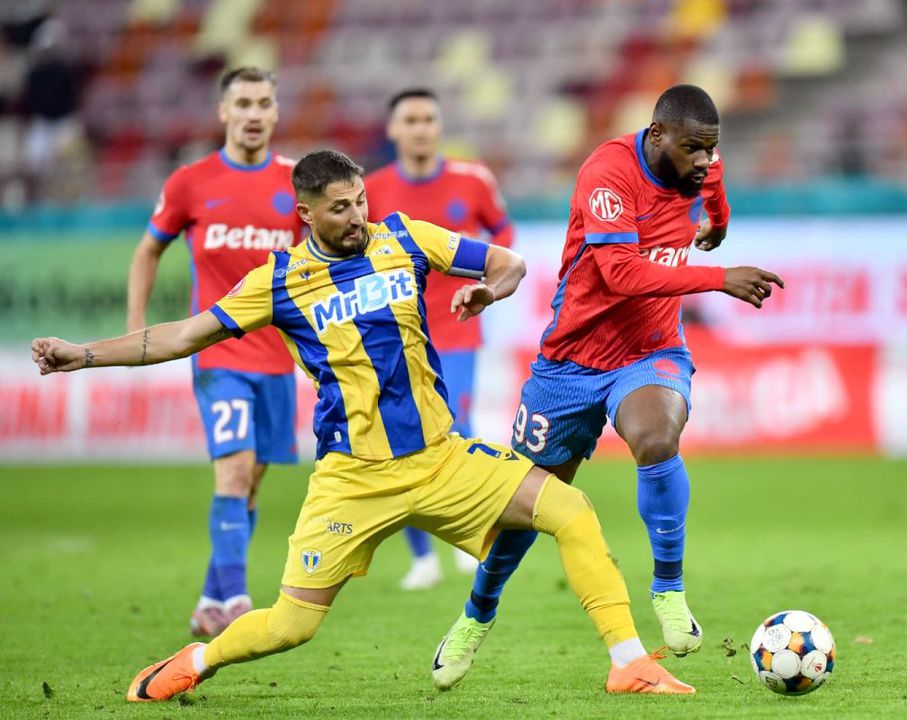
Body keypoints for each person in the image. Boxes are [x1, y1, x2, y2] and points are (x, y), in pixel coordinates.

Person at [33, 149, 697, 699]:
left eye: (360, 202)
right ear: (305, 214)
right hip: (353, 478)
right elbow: (182, 336)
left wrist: (487, 290)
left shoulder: (403, 237)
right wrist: (82, 355)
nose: (357, 217)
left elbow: (509, 262)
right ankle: (196, 661)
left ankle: (628, 663)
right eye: (340, 208)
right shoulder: (280, 281)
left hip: (440, 458)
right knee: (291, 626)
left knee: (571, 510)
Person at [430, 84, 784, 690]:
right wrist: (717, 274)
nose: (704, 161)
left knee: (656, 437)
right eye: (694, 149)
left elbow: (716, 200)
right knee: (527, 505)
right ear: (657, 135)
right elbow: (620, 273)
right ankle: (476, 614)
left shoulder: (704, 164)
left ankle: (668, 589)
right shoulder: (608, 175)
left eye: (711, 149)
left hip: (650, 350)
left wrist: (718, 225)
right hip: (571, 360)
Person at [125, 67, 306, 637]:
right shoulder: (191, 182)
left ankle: (210, 597)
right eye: (243, 103)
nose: (254, 114)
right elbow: (147, 251)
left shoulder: (298, 183)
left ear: (276, 112)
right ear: (223, 111)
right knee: (233, 470)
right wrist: (135, 327)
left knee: (251, 479)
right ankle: (236, 602)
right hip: (218, 354)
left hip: (277, 357)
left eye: (264, 103)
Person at [366, 88, 515, 590]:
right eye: (410, 120)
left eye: (428, 119)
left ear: (439, 125)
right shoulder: (372, 190)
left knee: (457, 428)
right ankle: (422, 557)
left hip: (457, 328)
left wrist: (484, 279)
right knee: (402, 436)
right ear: (393, 129)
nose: (421, 128)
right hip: (395, 333)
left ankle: (470, 535)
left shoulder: (473, 181)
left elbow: (503, 234)